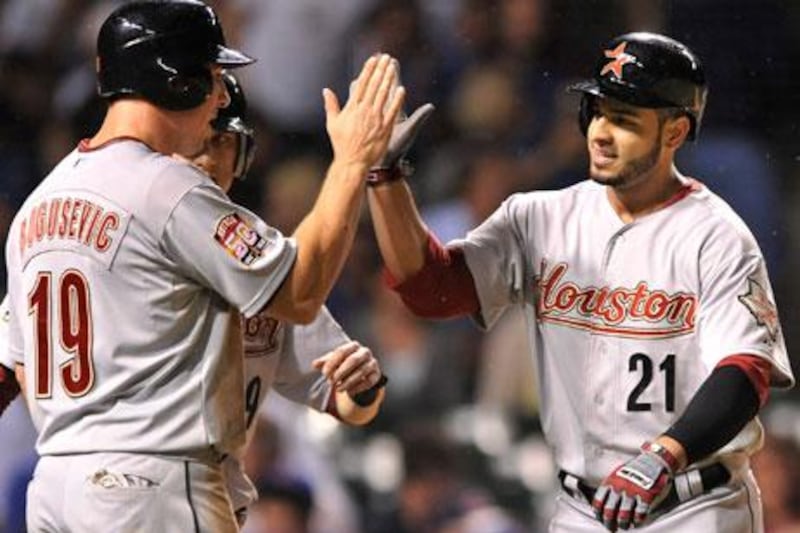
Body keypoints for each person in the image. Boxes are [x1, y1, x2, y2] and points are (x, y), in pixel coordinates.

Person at [366, 32, 795, 532]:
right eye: (598, 111)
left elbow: (745, 373)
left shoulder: (716, 236)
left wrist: (663, 455)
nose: (601, 132)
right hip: (581, 509)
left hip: (693, 506)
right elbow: (432, 290)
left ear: (675, 132)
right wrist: (385, 177)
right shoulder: (539, 217)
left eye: (625, 120)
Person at [2, 1, 402, 531]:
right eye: (211, 76)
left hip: (58, 485)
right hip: (152, 485)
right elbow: (300, 293)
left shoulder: (41, 204)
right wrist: (352, 162)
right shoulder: (165, 188)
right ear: (175, 80)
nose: (218, 96)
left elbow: (13, 368)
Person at [191, 72, 387, 527]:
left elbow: (347, 400)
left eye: (223, 141)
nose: (207, 156)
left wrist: (364, 385)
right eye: (197, 141)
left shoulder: (256, 256)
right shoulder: (125, 238)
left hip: (216, 504)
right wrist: (351, 165)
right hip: (124, 493)